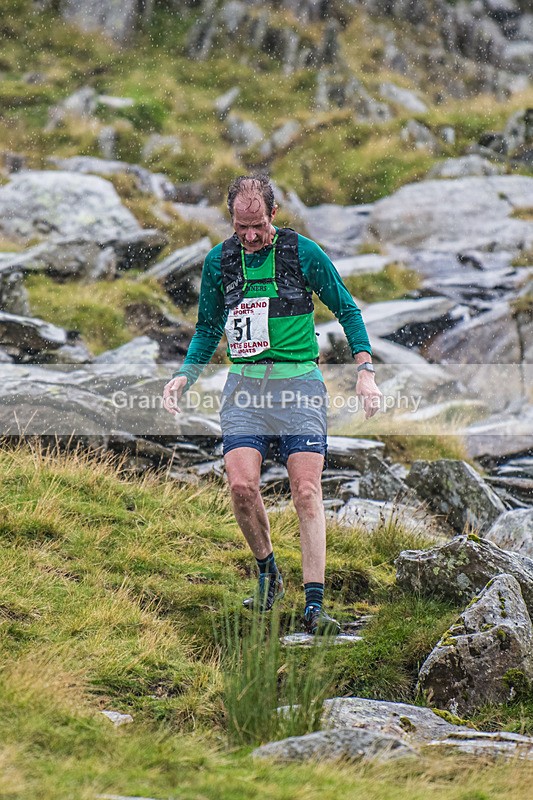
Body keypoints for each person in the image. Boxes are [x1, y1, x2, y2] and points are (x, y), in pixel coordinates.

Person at [163, 175, 381, 635]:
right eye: (241, 227)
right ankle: (268, 572)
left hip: (299, 386)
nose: (249, 236)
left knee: (305, 490)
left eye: (258, 225)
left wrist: (365, 371)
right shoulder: (219, 261)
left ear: (273, 215)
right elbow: (206, 328)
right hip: (244, 389)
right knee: (241, 487)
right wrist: (185, 374)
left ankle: (315, 604)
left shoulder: (303, 253)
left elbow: (348, 310)